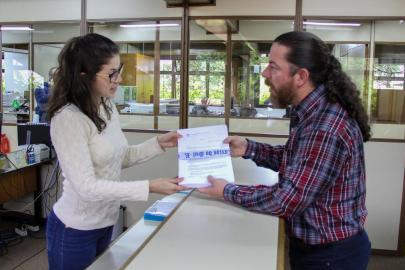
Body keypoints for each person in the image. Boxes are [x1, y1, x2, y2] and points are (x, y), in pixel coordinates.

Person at [199, 31, 371, 270]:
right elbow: (301, 162)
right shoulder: (312, 112)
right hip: (321, 249)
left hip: (331, 257)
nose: (265, 73)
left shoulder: (325, 126)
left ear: (300, 76)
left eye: (273, 66)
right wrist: (248, 148)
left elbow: (287, 200)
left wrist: (227, 191)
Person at [46, 33, 187, 270]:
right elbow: (86, 187)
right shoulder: (67, 119)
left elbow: (118, 157)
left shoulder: (106, 105)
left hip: (105, 222)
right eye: (111, 73)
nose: (119, 79)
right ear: (84, 74)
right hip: (74, 229)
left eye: (118, 69)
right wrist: (149, 186)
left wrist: (159, 143)